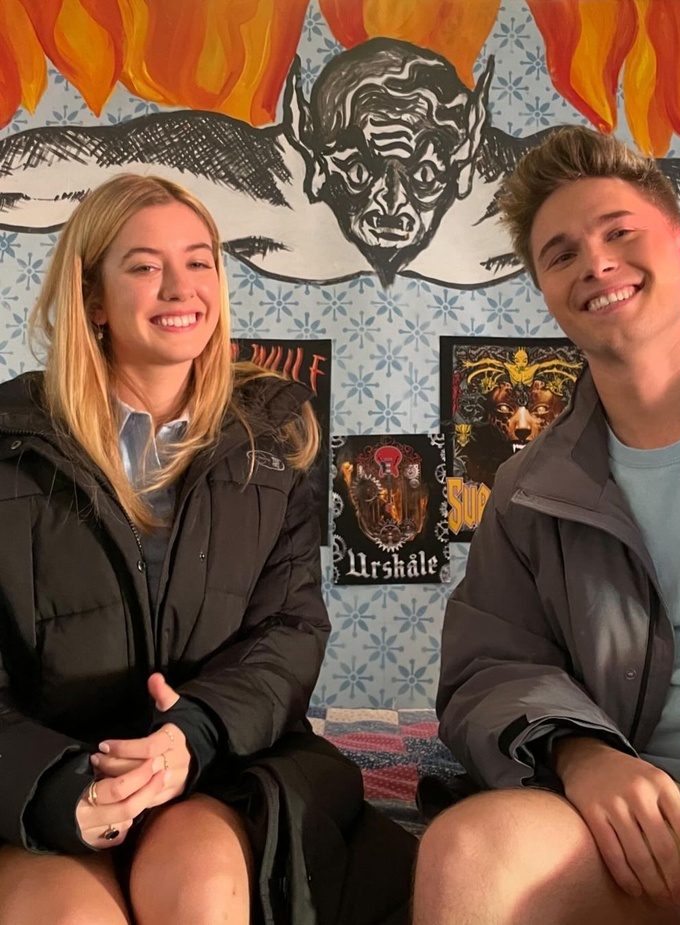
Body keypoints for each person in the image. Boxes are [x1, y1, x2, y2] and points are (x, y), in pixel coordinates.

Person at [0, 173, 415, 925]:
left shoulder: (273, 437)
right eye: (144, 265)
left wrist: (191, 734)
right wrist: (60, 791)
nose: (180, 286)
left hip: (218, 763)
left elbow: (289, 631)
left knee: (200, 890)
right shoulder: (9, 444)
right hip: (38, 783)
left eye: (198, 261)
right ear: (93, 298)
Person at [413, 126, 680, 925]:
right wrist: (581, 752)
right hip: (654, 824)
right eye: (561, 255)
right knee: (466, 854)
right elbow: (488, 667)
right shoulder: (529, 491)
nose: (595, 262)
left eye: (619, 232)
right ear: (549, 293)